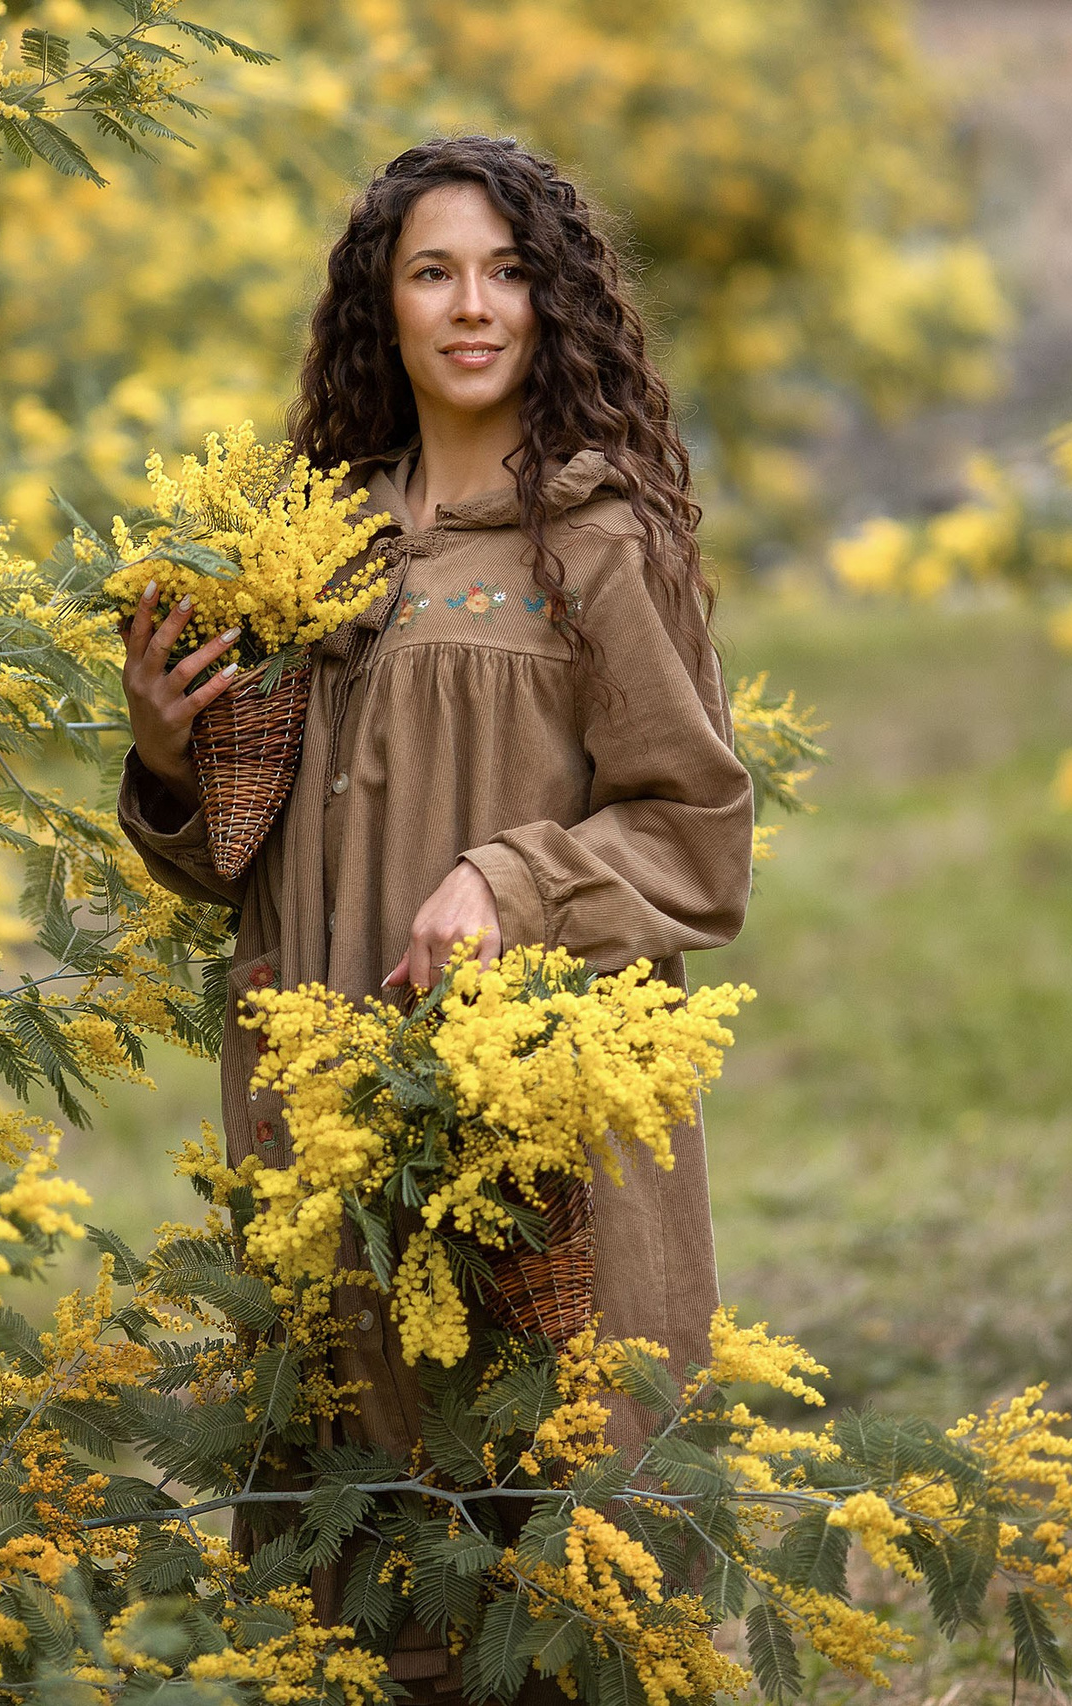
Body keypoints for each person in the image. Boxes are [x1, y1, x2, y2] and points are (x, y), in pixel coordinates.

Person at [116, 136, 756, 1698]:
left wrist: (509, 878)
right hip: (323, 1117)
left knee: (557, 1532)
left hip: (529, 1118)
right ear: (380, 306)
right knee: (350, 1541)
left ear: (552, 301)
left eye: (507, 271)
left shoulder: (596, 540)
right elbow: (234, 856)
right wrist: (164, 751)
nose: (472, 306)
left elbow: (695, 834)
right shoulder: (308, 552)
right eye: (432, 272)